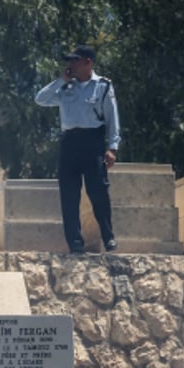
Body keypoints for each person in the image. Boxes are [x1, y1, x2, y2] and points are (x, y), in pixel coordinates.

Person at [35, 44, 120, 254]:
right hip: (69, 142)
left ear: (87, 62)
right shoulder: (65, 87)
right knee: (69, 194)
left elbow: (112, 117)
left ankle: (108, 236)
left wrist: (112, 147)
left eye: (75, 60)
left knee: (98, 191)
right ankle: (75, 242)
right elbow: (40, 99)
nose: (70, 64)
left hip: (93, 141)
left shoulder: (103, 86)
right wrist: (61, 80)